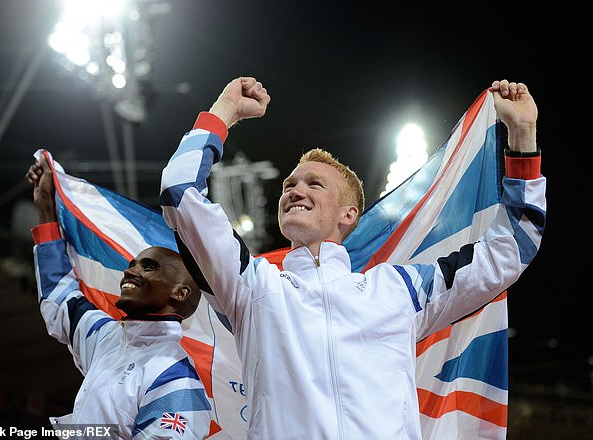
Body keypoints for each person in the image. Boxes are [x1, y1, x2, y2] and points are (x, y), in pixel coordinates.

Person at [159, 77, 545, 439]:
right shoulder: (251, 286)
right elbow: (180, 193)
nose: (295, 190)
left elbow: (511, 248)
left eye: (314, 184)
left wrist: (523, 135)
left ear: (349, 215)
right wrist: (224, 110)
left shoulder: (398, 290)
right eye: (289, 184)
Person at [26, 154, 212, 440]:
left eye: (148, 267)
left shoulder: (177, 380)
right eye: (132, 264)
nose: (130, 272)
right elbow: (59, 299)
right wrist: (47, 209)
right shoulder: (106, 338)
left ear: (180, 292)